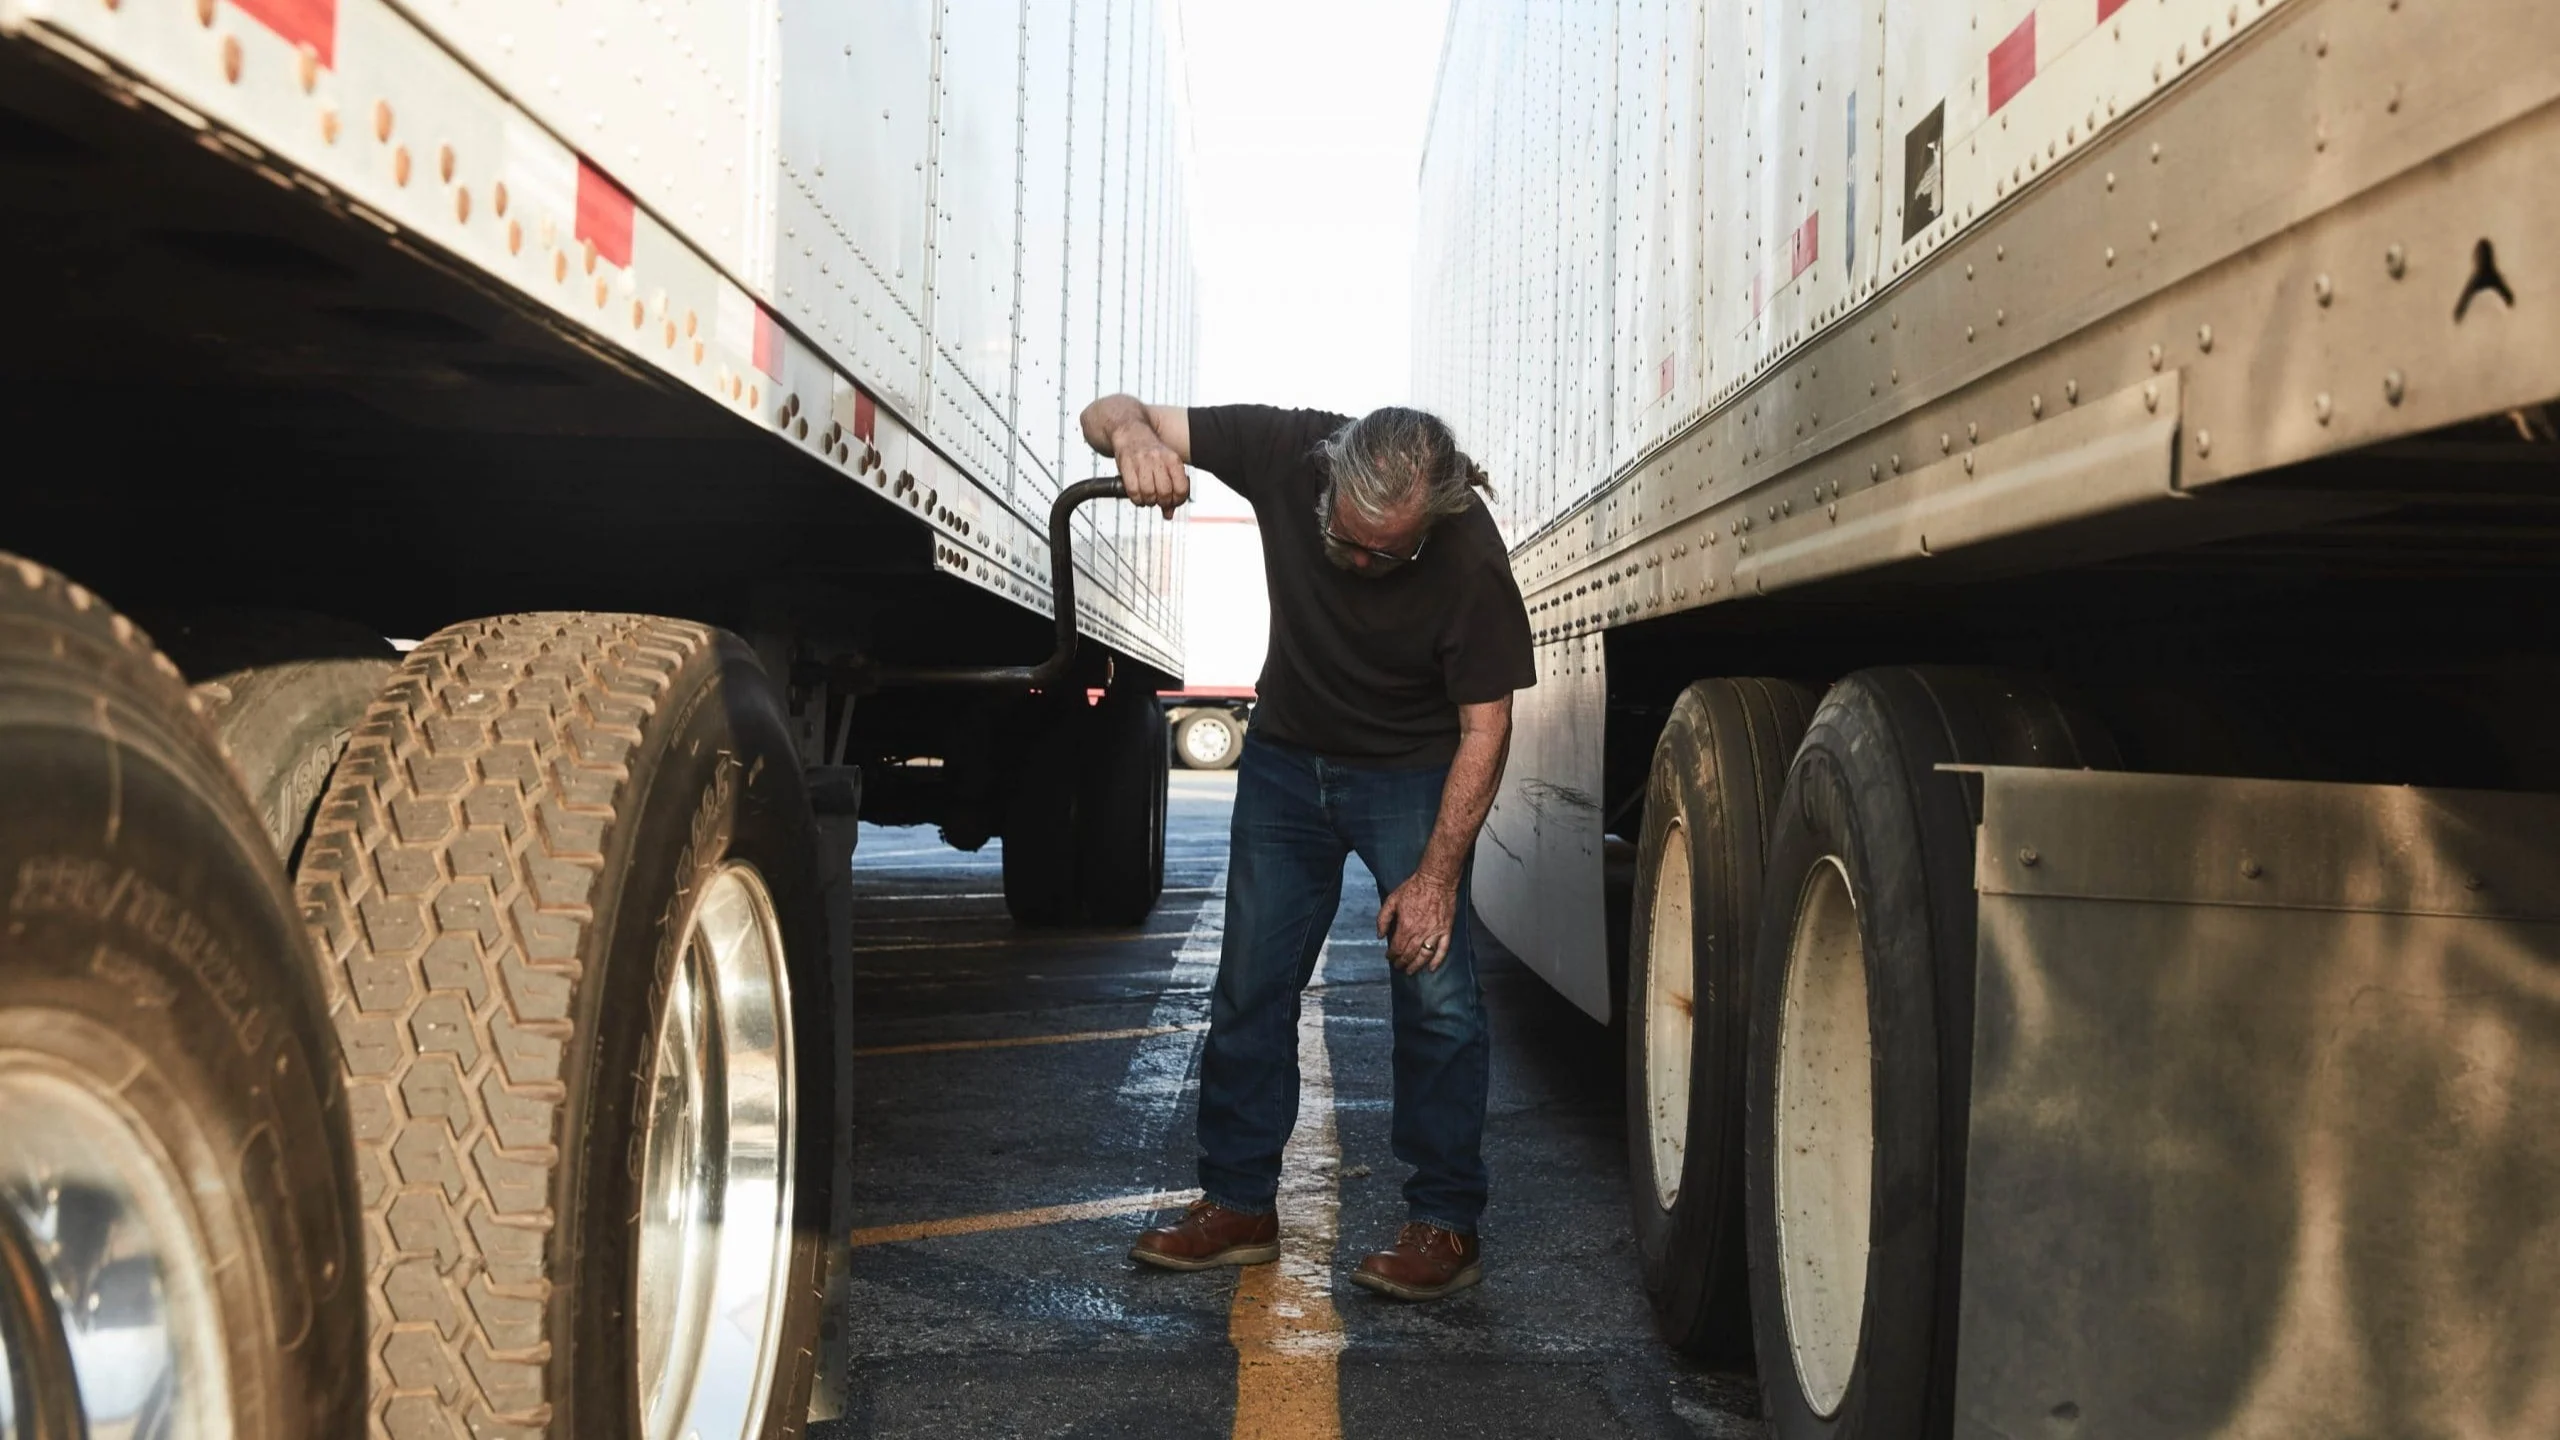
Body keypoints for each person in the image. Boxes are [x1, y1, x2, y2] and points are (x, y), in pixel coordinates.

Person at [1079, 394, 1535, 1301]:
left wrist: (1436, 878)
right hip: (1287, 761)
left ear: (1433, 521)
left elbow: (1486, 729)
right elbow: (1112, 409)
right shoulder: (1288, 448)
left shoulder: (1469, 556)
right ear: (1328, 485)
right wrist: (1132, 440)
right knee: (1251, 980)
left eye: (1384, 552)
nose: (1359, 562)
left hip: (1412, 772)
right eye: (1344, 540)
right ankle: (1239, 1204)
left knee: (1435, 993)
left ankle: (1445, 1224)